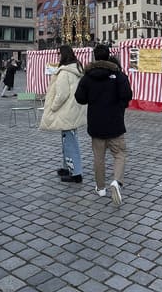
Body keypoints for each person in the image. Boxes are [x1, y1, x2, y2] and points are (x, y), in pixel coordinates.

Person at [74, 44, 132, 205]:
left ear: (95, 57)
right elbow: (127, 95)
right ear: (108, 56)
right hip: (115, 122)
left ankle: (100, 188)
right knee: (119, 154)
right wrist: (120, 106)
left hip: (96, 124)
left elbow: (79, 98)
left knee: (98, 157)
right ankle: (116, 181)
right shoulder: (118, 75)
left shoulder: (87, 77)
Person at [38, 45, 87, 184]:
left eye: (59, 54)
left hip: (66, 110)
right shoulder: (76, 69)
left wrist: (53, 107)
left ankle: (76, 173)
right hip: (73, 110)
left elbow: (61, 94)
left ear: (63, 55)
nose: (58, 56)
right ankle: (68, 168)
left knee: (70, 143)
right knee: (68, 140)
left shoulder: (65, 72)